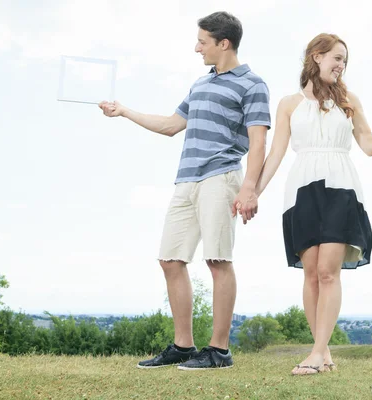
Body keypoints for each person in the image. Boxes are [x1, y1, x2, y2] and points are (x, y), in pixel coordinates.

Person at [98, 11, 271, 370]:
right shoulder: (200, 84)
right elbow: (171, 125)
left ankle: (219, 350)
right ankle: (183, 345)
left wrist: (250, 189)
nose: (197, 48)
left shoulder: (253, 84)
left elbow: (258, 143)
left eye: (202, 42)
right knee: (170, 259)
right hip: (186, 179)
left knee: (217, 259)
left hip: (221, 177)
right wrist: (123, 111)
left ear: (224, 44)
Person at [253, 33, 372, 375]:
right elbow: (275, 154)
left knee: (328, 272)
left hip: (341, 187)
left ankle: (317, 353)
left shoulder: (349, 100)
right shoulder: (289, 103)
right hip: (302, 189)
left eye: (345, 60)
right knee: (311, 274)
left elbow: (369, 145)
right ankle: (325, 351)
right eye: (336, 58)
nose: (341, 65)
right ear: (316, 57)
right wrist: (253, 193)